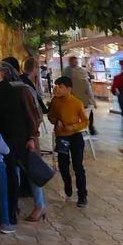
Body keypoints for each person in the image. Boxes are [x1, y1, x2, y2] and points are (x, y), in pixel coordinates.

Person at [0, 60, 33, 226]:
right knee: (2, 178)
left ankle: (9, 214)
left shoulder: (6, 92)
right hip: (1, 141)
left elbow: (11, 120)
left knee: (8, 177)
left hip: (6, 142)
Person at [0, 61, 46, 222]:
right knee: (15, 173)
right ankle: (14, 203)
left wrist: (32, 137)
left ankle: (40, 206)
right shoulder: (6, 90)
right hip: (12, 139)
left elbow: (34, 115)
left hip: (26, 139)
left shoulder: (22, 90)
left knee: (32, 172)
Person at [48, 76, 89, 207]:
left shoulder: (77, 103)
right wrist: (56, 121)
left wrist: (74, 126)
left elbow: (85, 121)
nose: (58, 89)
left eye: (61, 87)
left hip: (75, 136)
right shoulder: (55, 102)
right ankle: (67, 184)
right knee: (63, 164)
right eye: (57, 87)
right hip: (62, 137)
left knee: (78, 165)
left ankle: (82, 195)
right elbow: (51, 116)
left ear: (69, 89)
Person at [62, 56, 97, 135]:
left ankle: (76, 128)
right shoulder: (68, 72)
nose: (76, 63)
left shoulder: (68, 73)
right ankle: (88, 128)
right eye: (75, 61)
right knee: (88, 112)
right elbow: (89, 93)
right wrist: (94, 102)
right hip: (82, 103)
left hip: (74, 102)